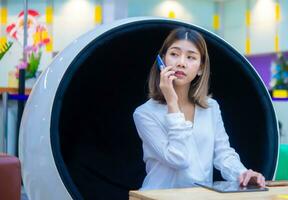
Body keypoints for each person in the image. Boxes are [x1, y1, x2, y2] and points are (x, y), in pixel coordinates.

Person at [133, 27, 265, 190]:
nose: (181, 62)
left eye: (191, 57)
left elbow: (223, 154)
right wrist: (172, 103)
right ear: (162, 61)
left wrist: (243, 173)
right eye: (174, 54)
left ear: (201, 68)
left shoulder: (211, 107)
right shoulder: (144, 113)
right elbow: (178, 158)